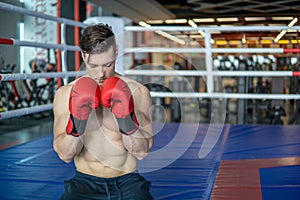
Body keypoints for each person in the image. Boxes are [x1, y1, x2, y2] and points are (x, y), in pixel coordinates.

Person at [52, 23, 154, 199]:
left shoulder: (138, 92)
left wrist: (125, 118)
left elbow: (142, 152)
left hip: (127, 181)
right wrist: (78, 120)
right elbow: (65, 155)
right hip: (85, 182)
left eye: (108, 65)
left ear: (116, 52)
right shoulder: (65, 94)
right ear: (84, 56)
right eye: (94, 65)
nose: (100, 74)